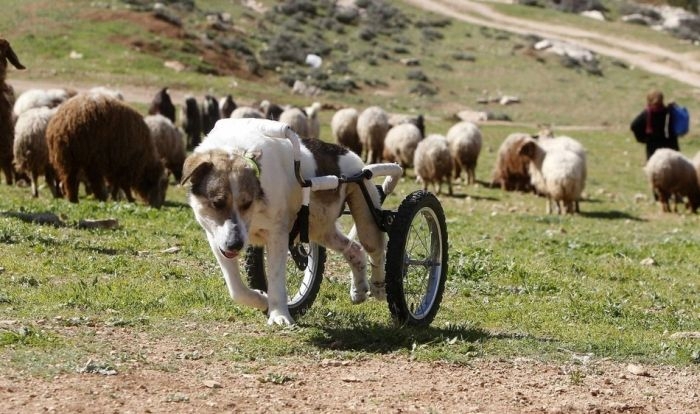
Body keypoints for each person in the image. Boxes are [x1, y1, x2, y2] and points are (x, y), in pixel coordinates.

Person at [630, 89, 679, 160]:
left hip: (654, 151)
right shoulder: (669, 112)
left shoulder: (646, 114)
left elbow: (634, 126)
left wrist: (643, 139)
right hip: (671, 149)